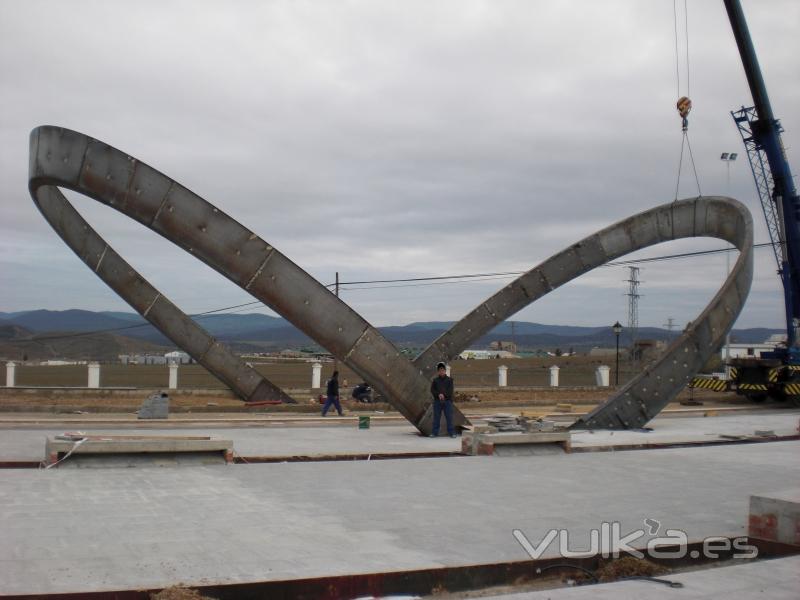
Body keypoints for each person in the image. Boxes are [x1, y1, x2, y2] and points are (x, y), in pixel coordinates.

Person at [429, 362, 456, 438]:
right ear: (438, 371)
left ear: (445, 371)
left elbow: (450, 391)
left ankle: (452, 432)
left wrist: (443, 395)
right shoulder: (435, 380)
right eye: (440, 370)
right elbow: (432, 390)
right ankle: (434, 433)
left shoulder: (450, 380)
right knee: (436, 418)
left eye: (443, 370)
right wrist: (438, 394)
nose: (442, 372)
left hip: (447, 401)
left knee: (449, 417)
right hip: (437, 401)